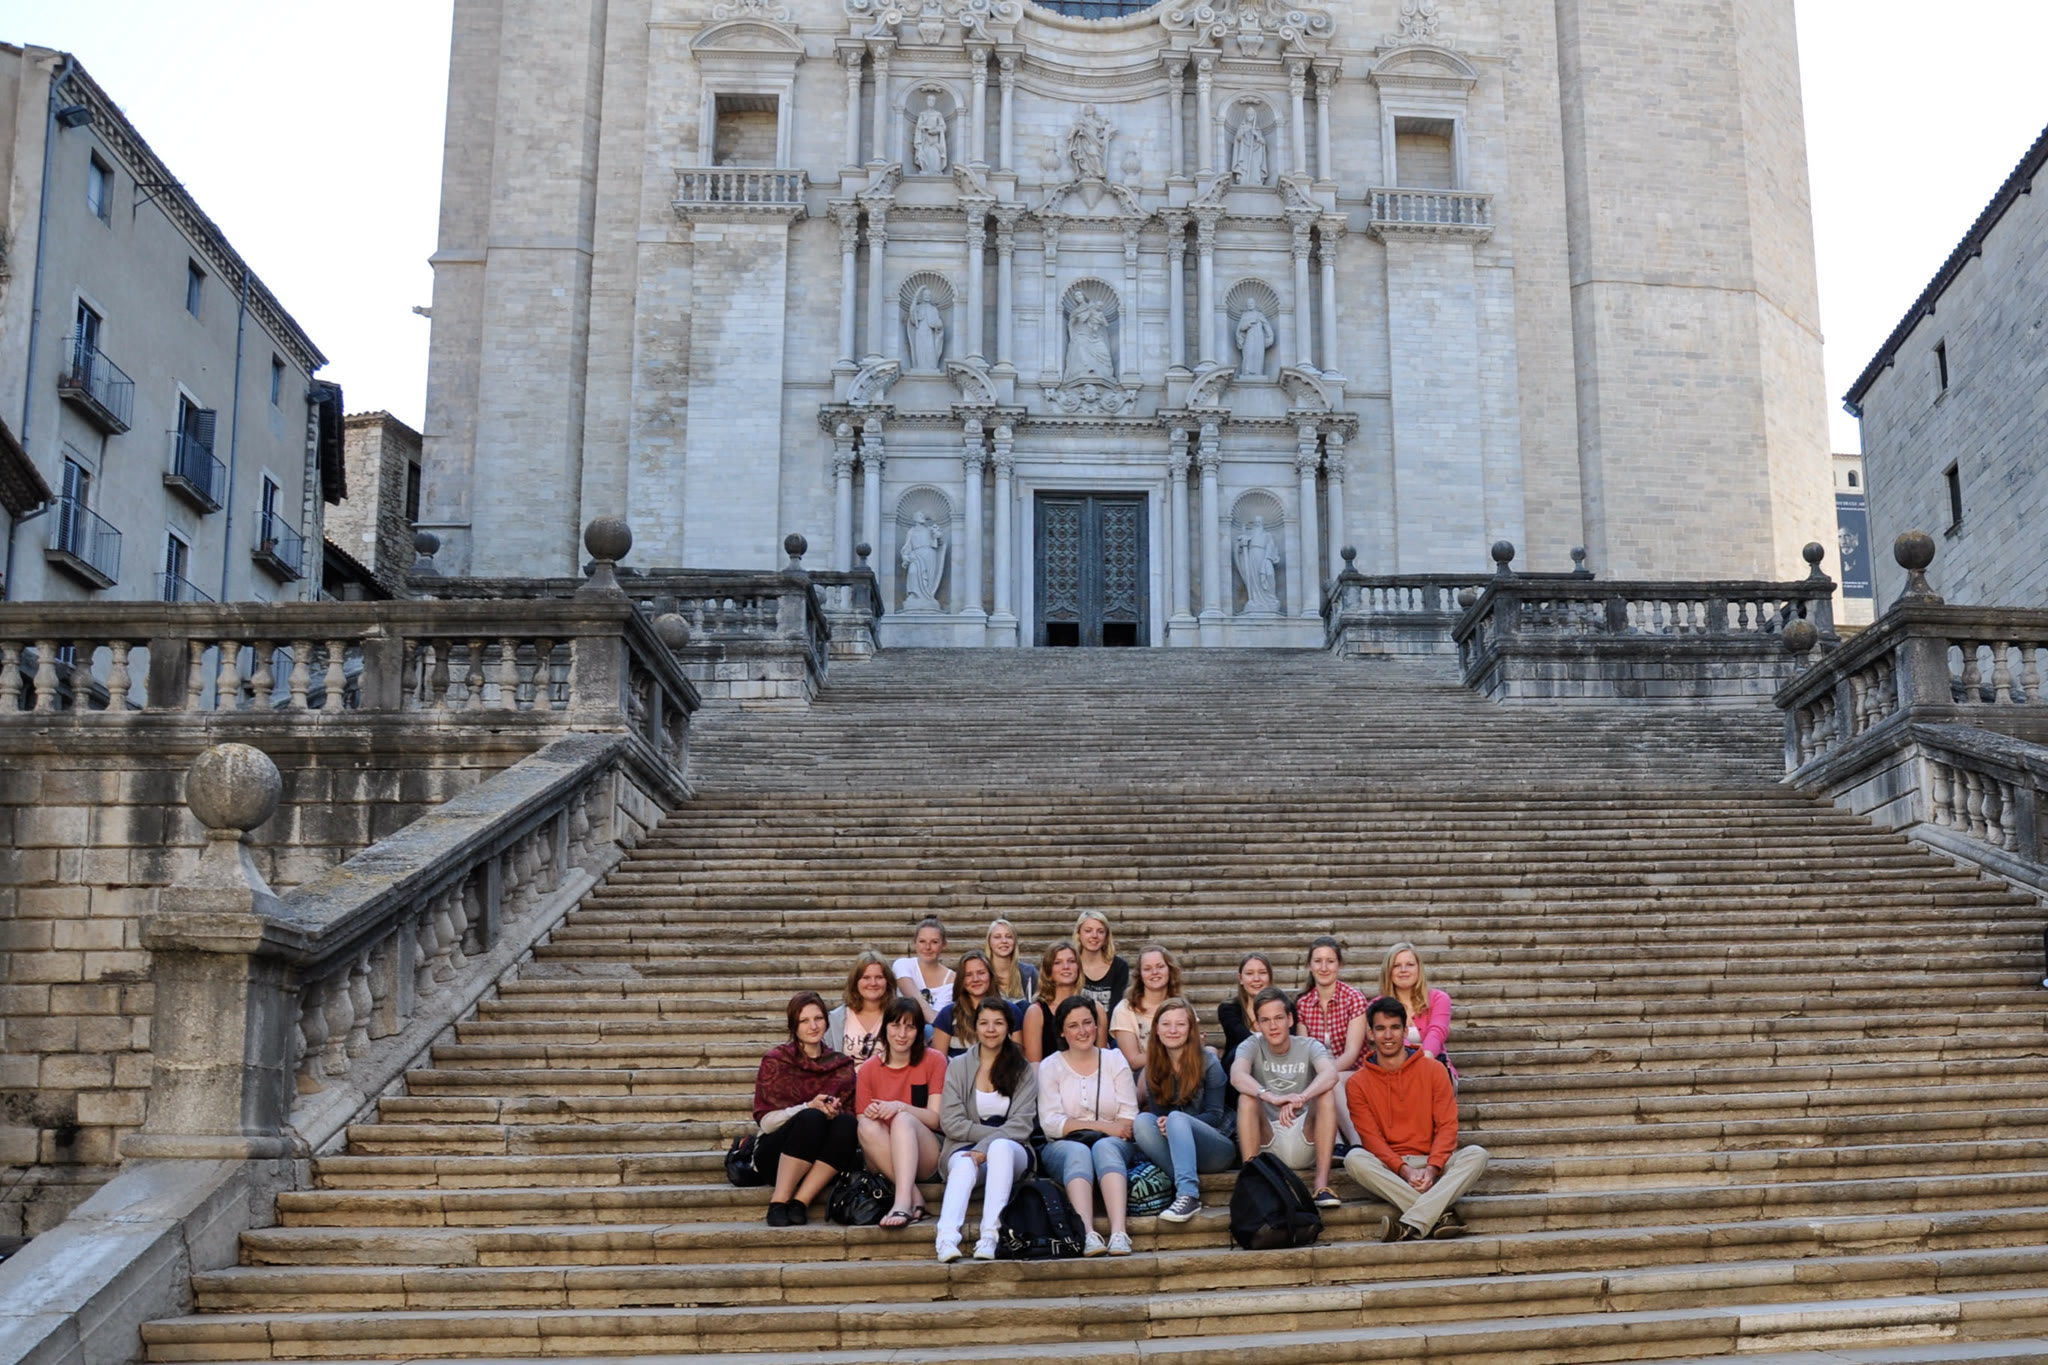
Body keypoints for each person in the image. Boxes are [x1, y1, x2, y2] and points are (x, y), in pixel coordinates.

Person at [1343, 996, 1488, 1240]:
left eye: (1394, 1027)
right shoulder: (1357, 1083)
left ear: (1405, 1031)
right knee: (1354, 1159)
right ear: (1370, 1033)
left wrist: (1431, 1169)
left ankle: (1408, 1224)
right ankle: (1440, 1215)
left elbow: (1447, 1126)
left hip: (1434, 1164)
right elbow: (1372, 1140)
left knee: (1477, 1154)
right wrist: (1405, 1171)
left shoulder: (1434, 1070)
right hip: (1390, 1171)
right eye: (1381, 1028)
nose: (1388, 1035)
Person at [934, 999, 1039, 1262]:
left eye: (998, 1023)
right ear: (975, 1027)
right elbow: (951, 1122)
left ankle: (989, 1237)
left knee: (1000, 1147)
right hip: (963, 1146)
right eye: (984, 1023)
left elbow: (1022, 1125)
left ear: (1008, 1028)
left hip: (1014, 1150)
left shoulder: (1023, 1069)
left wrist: (987, 1146)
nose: (991, 1029)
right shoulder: (958, 1066)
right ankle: (946, 1239)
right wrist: (985, 1144)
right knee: (964, 1164)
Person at [1037, 995, 1140, 1256]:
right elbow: (1051, 1125)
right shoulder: (1050, 1066)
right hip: (1063, 1147)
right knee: (1079, 1151)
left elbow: (1128, 1118)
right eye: (1073, 1025)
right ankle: (1087, 1233)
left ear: (1096, 1025)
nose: (1082, 1031)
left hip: (1114, 1144)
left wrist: (1107, 1131)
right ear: (1062, 1031)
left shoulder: (1115, 1060)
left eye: (1087, 1023)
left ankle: (1119, 1233)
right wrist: (1106, 1126)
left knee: (1105, 1148)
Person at [753, 991, 860, 1227]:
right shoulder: (776, 1061)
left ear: (826, 1021)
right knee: (811, 1117)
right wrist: (807, 1107)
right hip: (775, 1155)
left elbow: (853, 1115)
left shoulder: (841, 1065)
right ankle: (778, 1202)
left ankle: (800, 1202)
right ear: (794, 1025)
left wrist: (833, 1113)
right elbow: (767, 1123)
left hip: (823, 1160)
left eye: (818, 1018)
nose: (813, 1026)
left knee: (847, 1123)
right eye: (804, 1021)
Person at [1230, 985, 1343, 1209]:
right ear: (1257, 1024)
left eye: (1279, 1018)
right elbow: (1237, 1075)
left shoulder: (1309, 1045)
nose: (1273, 1026)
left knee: (1326, 1094)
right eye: (1265, 1020)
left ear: (1290, 1019)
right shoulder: (1251, 1045)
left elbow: (1331, 1074)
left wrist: (1302, 1096)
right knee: (1247, 1098)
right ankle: (1252, 1185)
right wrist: (1271, 1097)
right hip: (1267, 1139)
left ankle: (1321, 1185)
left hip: (1304, 1135)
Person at [1133, 997, 1235, 1223]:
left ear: (1190, 1030)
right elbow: (1159, 1114)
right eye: (1166, 1024)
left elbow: (1216, 1117)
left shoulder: (1209, 1063)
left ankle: (1188, 1196)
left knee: (1176, 1118)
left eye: (1180, 1024)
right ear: (1156, 1030)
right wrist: (1164, 1123)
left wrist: (1176, 1122)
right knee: (1142, 1122)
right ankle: (1182, 1181)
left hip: (1216, 1148)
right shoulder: (1153, 1068)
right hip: (1176, 1147)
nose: (1173, 1030)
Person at [855, 995, 949, 1227]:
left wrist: (899, 1107)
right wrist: (874, 1111)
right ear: (885, 1027)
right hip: (882, 1156)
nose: (902, 1034)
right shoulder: (868, 1069)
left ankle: (902, 1203)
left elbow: (935, 1119)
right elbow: (862, 1124)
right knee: (866, 1124)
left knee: (903, 1119)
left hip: (926, 1153)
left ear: (919, 1032)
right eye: (895, 1025)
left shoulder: (934, 1060)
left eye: (910, 1027)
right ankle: (913, 1195)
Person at [1295, 935, 1371, 1145]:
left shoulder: (1354, 998)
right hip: (1317, 1072)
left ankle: (1358, 1144)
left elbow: (1352, 1052)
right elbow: (1305, 1051)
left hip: (1353, 1071)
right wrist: (1321, 1076)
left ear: (1339, 964)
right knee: (1321, 1083)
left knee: (1331, 1083)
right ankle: (1336, 1145)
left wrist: (1326, 1075)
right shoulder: (1303, 1004)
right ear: (1309, 965)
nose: (1324, 967)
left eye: (1330, 961)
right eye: (1318, 961)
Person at [1022, 941, 1107, 1063]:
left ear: (1078, 967)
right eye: (1058, 963)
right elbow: (1034, 1066)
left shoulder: (1097, 1009)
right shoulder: (1036, 1012)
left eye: (1071, 961)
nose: (1066, 966)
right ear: (1049, 970)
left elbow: (1102, 1060)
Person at [1377, 941, 1454, 1067]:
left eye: (1410, 964)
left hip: (1433, 1067)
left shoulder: (1439, 999)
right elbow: (1392, 1041)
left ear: (1419, 968)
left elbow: (1437, 1032)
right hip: (1395, 1069)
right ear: (1388, 971)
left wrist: (1425, 1062)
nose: (1403, 970)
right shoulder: (1378, 1006)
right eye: (1396, 965)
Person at [1110, 943, 1181, 1074]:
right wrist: (1173, 1054)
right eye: (1147, 969)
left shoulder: (1181, 1006)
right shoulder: (1125, 1009)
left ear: (1170, 970)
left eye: (1160, 967)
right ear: (1140, 975)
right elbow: (1134, 1061)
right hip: (1143, 1075)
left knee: (1210, 1055)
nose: (1154, 972)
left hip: (1180, 1070)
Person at [930, 950, 1017, 1056]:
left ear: (990, 975)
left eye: (981, 973)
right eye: (968, 975)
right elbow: (939, 1061)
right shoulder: (947, 1014)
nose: (975, 979)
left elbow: (1018, 1059)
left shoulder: (1012, 1011)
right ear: (961, 980)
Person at [827, 951, 891, 1064]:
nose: (873, 983)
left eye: (879, 977)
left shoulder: (897, 1016)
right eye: (866, 977)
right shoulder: (836, 1019)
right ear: (855, 981)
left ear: (887, 981)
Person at [1216, 952, 1277, 1069]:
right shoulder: (1228, 1009)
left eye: (1262, 973)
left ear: (1270, 977)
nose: (1256, 979)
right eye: (1249, 973)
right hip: (1241, 1066)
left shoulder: (1285, 1007)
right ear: (1240, 979)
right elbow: (1245, 1040)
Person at [894, 917, 956, 1025]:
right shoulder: (902, 965)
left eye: (934, 942)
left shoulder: (952, 979)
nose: (927, 947)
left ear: (944, 945)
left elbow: (938, 1018)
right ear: (915, 943)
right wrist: (935, 1021)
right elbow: (912, 995)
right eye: (922, 941)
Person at [1073, 911, 1130, 1016]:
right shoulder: (1071, 965)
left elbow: (1116, 1010)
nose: (1094, 935)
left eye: (1100, 931)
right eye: (1088, 931)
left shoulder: (1119, 967)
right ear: (1079, 934)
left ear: (1106, 937)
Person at [983, 918, 1038, 1002]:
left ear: (1014, 941)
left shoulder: (1030, 973)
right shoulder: (982, 975)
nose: (1004, 941)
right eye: (997, 937)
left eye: (1009, 937)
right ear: (989, 942)